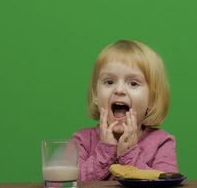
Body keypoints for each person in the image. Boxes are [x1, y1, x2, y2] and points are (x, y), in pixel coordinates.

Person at [72, 39, 178, 181]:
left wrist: (129, 155)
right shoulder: (82, 141)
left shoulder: (162, 143)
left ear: (151, 100)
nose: (119, 90)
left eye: (133, 83)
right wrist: (104, 152)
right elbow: (62, 183)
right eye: (109, 82)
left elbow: (165, 182)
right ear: (96, 95)